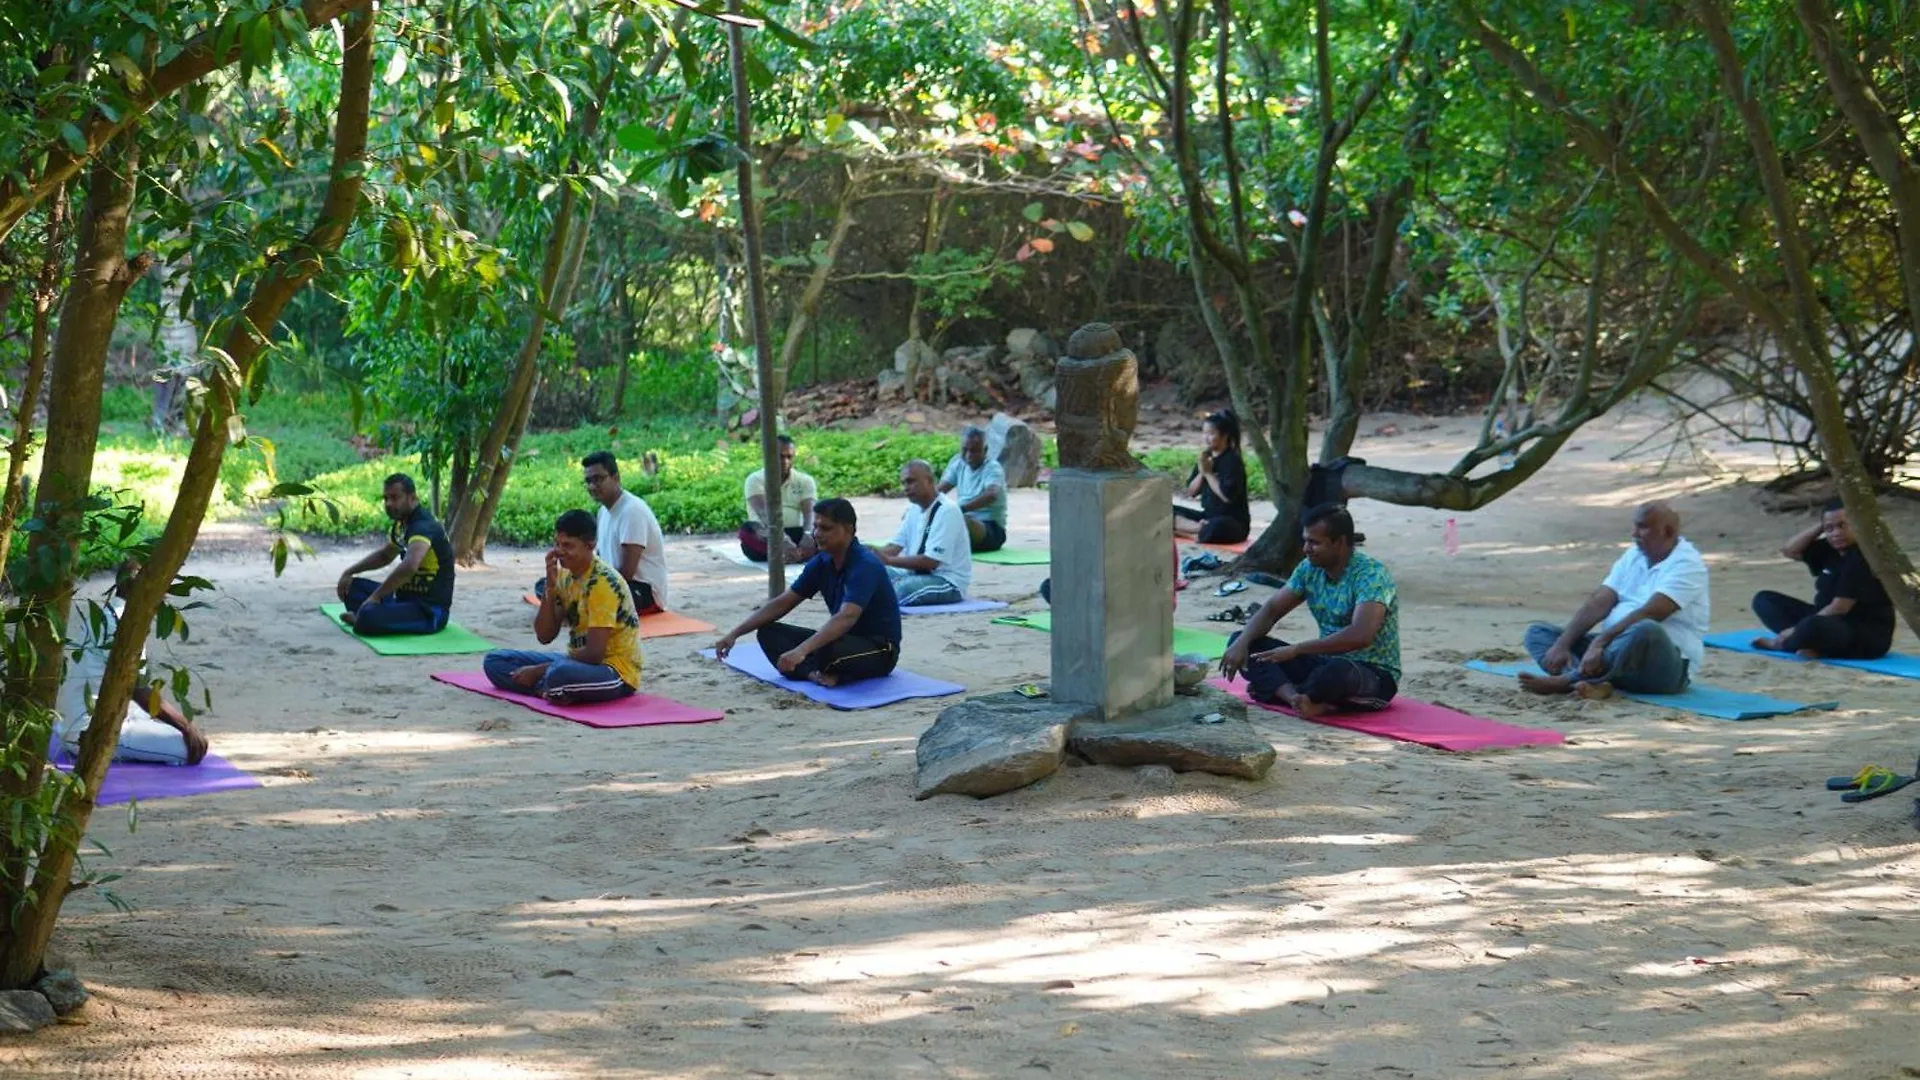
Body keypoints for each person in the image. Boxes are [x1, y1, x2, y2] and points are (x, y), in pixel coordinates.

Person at [1219, 504, 1400, 716]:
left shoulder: (1372, 575)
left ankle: (1288, 692)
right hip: (1323, 662)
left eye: (1314, 543)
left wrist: (1297, 649)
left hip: (1371, 673)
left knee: (1335, 673)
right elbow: (1271, 610)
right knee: (1246, 642)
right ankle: (1296, 698)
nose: (1305, 549)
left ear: (1340, 542)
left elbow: (1361, 635)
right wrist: (1242, 643)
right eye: (1305, 540)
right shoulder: (1309, 568)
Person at [1518, 501, 1709, 698]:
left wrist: (1599, 643)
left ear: (1667, 532)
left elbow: (1651, 613)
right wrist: (1562, 644)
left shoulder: (1688, 565)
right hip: (1614, 654)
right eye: (1635, 526)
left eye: (1642, 527)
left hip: (1663, 668)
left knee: (1646, 629)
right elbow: (1600, 600)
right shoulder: (1634, 555)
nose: (1634, 533)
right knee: (1539, 633)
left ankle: (1569, 680)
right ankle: (1591, 682)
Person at [711, 497, 901, 686]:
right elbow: (783, 603)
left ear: (849, 530)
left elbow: (846, 617)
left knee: (824, 649)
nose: (817, 534)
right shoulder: (821, 561)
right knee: (768, 632)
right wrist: (734, 634)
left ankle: (821, 671)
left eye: (825, 528)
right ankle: (813, 674)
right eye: (815, 527)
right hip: (843, 640)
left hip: (879, 649)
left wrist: (801, 651)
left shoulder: (864, 565)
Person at [483, 510, 643, 704]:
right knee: (495, 661)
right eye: (557, 544)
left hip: (613, 671)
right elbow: (544, 635)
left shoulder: (602, 583)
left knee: (559, 673)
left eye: (568, 545)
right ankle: (550, 689)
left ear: (590, 545)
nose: (559, 551)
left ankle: (549, 685)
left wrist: (539, 670)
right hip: (576, 662)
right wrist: (550, 589)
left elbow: (594, 654)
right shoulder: (565, 576)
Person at [56, 563, 209, 766]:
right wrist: (185, 726)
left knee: (175, 730)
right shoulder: (120, 624)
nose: (164, 597)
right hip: (90, 730)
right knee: (191, 747)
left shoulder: (109, 613)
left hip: (105, 715)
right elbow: (138, 689)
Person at [1751, 498, 1894, 660]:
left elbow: (1840, 607)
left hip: (1863, 633)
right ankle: (1810, 644)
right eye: (1830, 529)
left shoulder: (1863, 556)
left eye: (1842, 525)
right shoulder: (1829, 548)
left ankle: (1782, 644)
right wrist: (1822, 525)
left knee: (1813, 625)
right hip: (1826, 618)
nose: (1836, 533)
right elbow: (1789, 550)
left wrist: (1795, 630)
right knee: (1764, 600)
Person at [532, 451, 668, 613]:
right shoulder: (603, 512)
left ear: (616, 477)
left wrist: (587, 585)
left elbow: (626, 573)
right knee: (548, 584)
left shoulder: (632, 511)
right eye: (588, 481)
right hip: (611, 581)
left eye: (598, 479)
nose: (592, 486)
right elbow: (600, 561)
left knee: (583, 593)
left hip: (640, 591)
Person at [334, 473, 455, 635]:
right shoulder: (402, 524)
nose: (389, 504)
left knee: (370, 615)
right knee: (353, 587)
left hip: (428, 611)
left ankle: (364, 618)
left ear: (412, 498)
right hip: (402, 600)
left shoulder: (423, 526)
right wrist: (349, 572)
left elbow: (410, 566)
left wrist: (375, 597)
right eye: (386, 499)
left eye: (395, 498)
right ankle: (367, 616)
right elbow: (385, 555)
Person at [876, 459, 973, 606]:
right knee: (871, 573)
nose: (906, 488)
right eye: (904, 483)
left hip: (946, 580)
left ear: (929, 481)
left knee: (902, 590)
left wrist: (887, 560)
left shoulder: (948, 510)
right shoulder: (913, 510)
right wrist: (867, 554)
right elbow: (894, 548)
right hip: (915, 575)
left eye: (911, 482)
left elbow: (930, 562)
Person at [1173, 409, 1251, 544]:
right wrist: (1202, 472)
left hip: (1232, 522)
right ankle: (1198, 529)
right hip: (1207, 517)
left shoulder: (1232, 461)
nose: (1206, 438)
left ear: (1224, 435)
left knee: (1217, 527)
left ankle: (1189, 533)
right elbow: (1191, 492)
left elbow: (1227, 497)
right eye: (1204, 433)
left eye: (1211, 434)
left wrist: (1209, 474)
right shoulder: (1206, 457)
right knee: (1166, 511)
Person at [739, 434, 817, 563]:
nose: (785, 461)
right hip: (768, 535)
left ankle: (792, 554)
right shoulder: (755, 480)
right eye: (780, 456)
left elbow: (810, 513)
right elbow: (764, 515)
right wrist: (782, 539)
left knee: (826, 530)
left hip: (798, 535)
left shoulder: (805, 480)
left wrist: (808, 535)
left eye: (789, 457)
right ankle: (798, 554)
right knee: (746, 532)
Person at [938, 426, 1008, 552]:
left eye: (975, 451)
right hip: (962, 518)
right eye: (965, 450)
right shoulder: (958, 463)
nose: (969, 455)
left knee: (959, 521)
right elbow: (940, 490)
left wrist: (961, 509)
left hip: (990, 528)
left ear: (985, 450)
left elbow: (991, 495)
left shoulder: (993, 468)